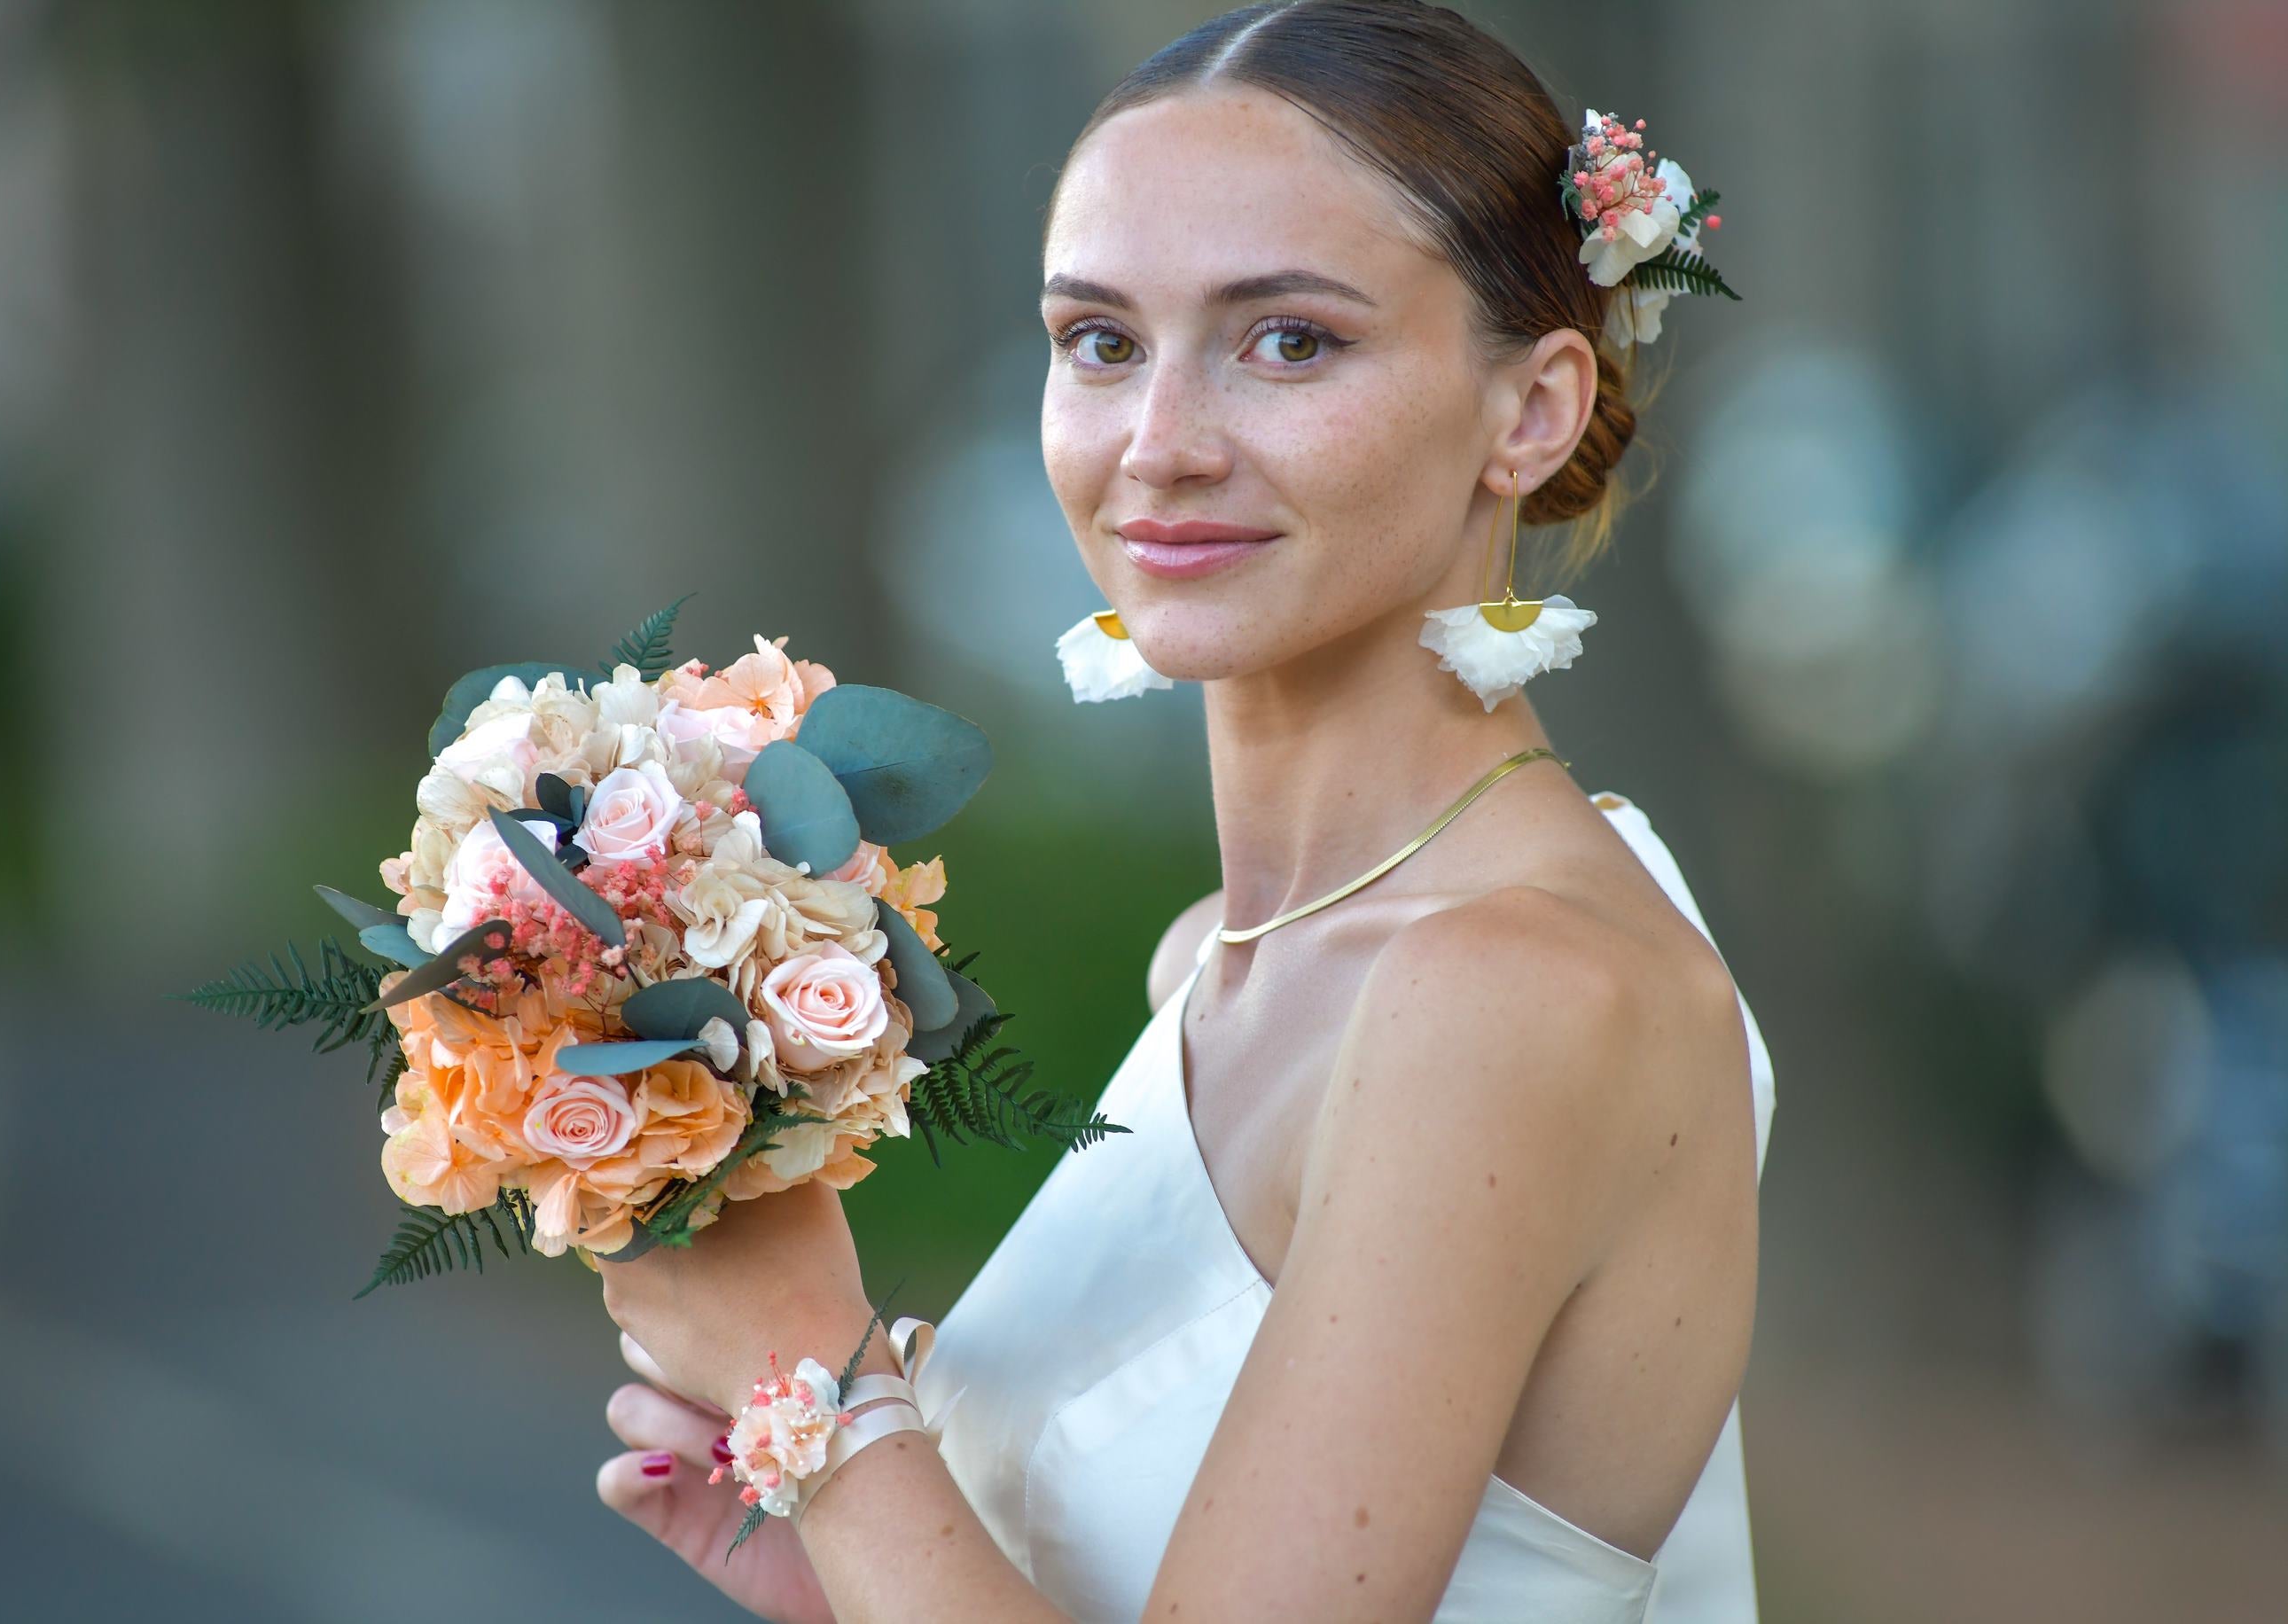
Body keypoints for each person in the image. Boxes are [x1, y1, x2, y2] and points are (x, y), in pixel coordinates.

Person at [588, 3, 1774, 1619]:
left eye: (1289, 339)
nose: (1159, 445)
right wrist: (829, 1561)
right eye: (1100, 342)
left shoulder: (1511, 989)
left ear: (1533, 410)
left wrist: (818, 1382)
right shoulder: (1213, 957)